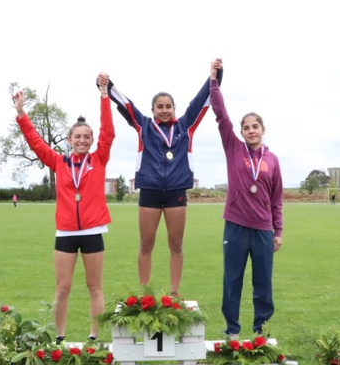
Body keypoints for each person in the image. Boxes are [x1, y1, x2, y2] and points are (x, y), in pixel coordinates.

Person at [97, 62, 223, 296]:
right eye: (159, 107)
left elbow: (203, 98)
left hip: (176, 192)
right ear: (153, 110)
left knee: (176, 245)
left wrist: (215, 76)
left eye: (168, 106)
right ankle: (146, 294)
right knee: (146, 244)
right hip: (150, 192)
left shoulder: (186, 126)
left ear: (174, 108)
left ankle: (174, 292)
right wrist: (106, 84)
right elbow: (125, 103)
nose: (164, 110)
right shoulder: (143, 126)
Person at [13, 78, 114, 343]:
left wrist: (105, 95)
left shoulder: (99, 158)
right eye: (77, 136)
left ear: (92, 140)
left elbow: (108, 131)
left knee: (95, 287)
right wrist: (22, 114)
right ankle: (59, 336)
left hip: (93, 230)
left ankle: (94, 336)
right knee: (62, 289)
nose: (82, 140)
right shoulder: (59, 162)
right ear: (69, 140)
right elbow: (35, 143)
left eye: (87, 137)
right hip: (66, 232)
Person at [209, 59, 283, 338]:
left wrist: (278, 231)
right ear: (240, 132)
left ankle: (261, 331)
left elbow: (276, 198)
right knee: (233, 281)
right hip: (236, 226)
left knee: (263, 283)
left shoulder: (272, 160)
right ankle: (232, 331)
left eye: (255, 126)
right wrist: (214, 81)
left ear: (263, 129)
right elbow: (221, 115)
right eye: (246, 127)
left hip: (263, 229)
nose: (250, 130)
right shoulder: (233, 149)